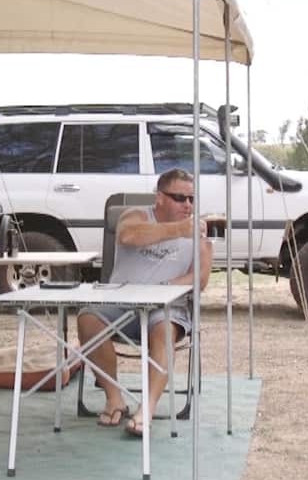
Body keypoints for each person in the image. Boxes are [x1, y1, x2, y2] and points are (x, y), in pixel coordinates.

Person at [77, 168, 214, 437]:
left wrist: (164, 288)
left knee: (164, 329)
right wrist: (178, 230)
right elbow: (128, 235)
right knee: (87, 318)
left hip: (166, 306)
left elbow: (200, 278)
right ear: (159, 197)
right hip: (122, 302)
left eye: (191, 199)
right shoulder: (136, 215)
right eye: (179, 198)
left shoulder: (198, 230)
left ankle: (147, 408)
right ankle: (114, 398)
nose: (187, 205)